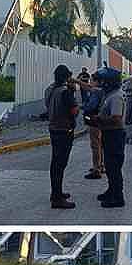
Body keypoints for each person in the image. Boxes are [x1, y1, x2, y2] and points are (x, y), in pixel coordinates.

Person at [44, 64, 80, 209]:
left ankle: (56, 193)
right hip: (64, 130)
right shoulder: (65, 92)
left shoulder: (50, 90)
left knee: (55, 164)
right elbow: (74, 111)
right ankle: (57, 199)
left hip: (53, 128)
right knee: (60, 164)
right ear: (66, 77)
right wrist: (72, 93)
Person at [93, 67, 128, 208]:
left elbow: (117, 119)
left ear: (109, 82)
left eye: (103, 81)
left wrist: (99, 120)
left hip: (115, 135)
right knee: (109, 166)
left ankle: (118, 197)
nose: (101, 84)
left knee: (114, 167)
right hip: (109, 134)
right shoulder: (110, 94)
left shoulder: (116, 97)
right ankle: (111, 191)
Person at [79, 70, 104, 180]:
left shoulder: (96, 92)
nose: (90, 82)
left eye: (92, 81)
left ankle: (96, 169)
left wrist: (82, 107)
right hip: (101, 120)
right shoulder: (102, 90)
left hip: (94, 121)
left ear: (96, 81)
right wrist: (77, 81)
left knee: (95, 145)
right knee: (100, 144)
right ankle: (101, 165)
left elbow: (91, 106)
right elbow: (88, 87)